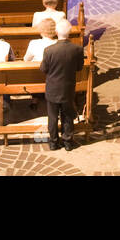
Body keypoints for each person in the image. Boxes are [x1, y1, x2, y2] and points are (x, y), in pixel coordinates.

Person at [40, 18, 85, 150]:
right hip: (68, 88)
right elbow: (79, 68)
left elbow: (43, 69)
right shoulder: (77, 49)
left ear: (56, 32)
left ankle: (53, 142)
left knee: (52, 117)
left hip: (52, 89)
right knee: (67, 115)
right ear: (69, 33)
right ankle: (68, 142)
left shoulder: (49, 50)